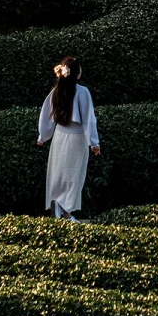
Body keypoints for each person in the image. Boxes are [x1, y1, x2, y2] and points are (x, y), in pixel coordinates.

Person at [37, 56, 99, 220]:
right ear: (77, 74)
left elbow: (46, 114)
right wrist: (94, 142)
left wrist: (43, 136)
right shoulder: (82, 91)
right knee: (74, 177)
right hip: (77, 138)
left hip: (59, 136)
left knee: (59, 174)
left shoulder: (56, 90)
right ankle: (65, 211)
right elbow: (88, 118)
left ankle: (61, 209)